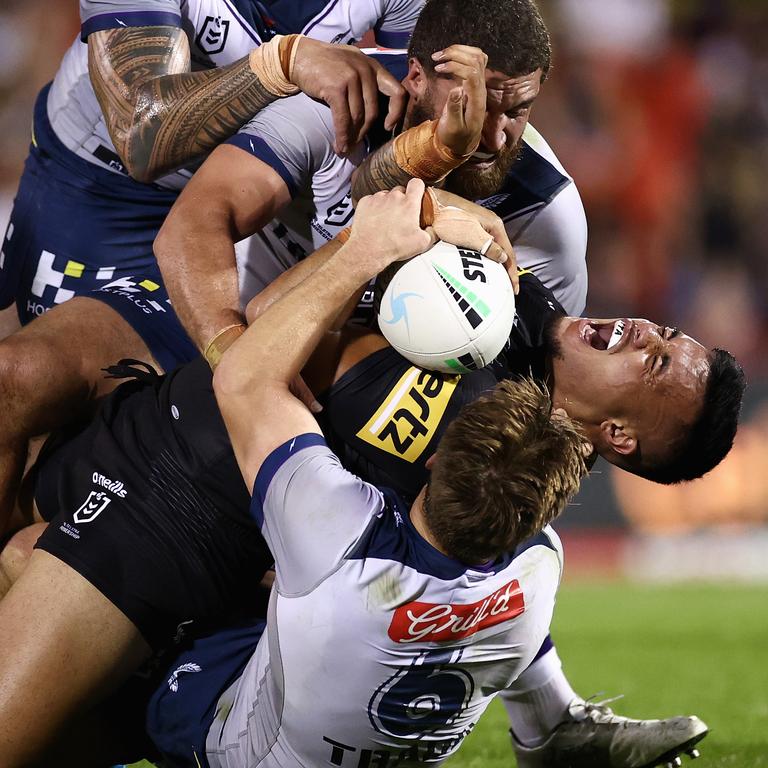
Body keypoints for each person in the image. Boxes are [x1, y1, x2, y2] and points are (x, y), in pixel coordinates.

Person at [0, 188, 741, 766]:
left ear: (618, 436)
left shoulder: (505, 509)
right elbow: (272, 314)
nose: (646, 332)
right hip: (168, 465)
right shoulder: (510, 297)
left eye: (655, 363)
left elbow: (263, 379)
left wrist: (370, 245)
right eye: (667, 334)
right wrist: (429, 212)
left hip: (193, 560)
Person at [0, 0, 419, 532]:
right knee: (20, 396)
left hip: (257, 207)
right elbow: (139, 135)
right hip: (101, 194)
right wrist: (283, 64)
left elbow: (419, 105)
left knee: (124, 464)